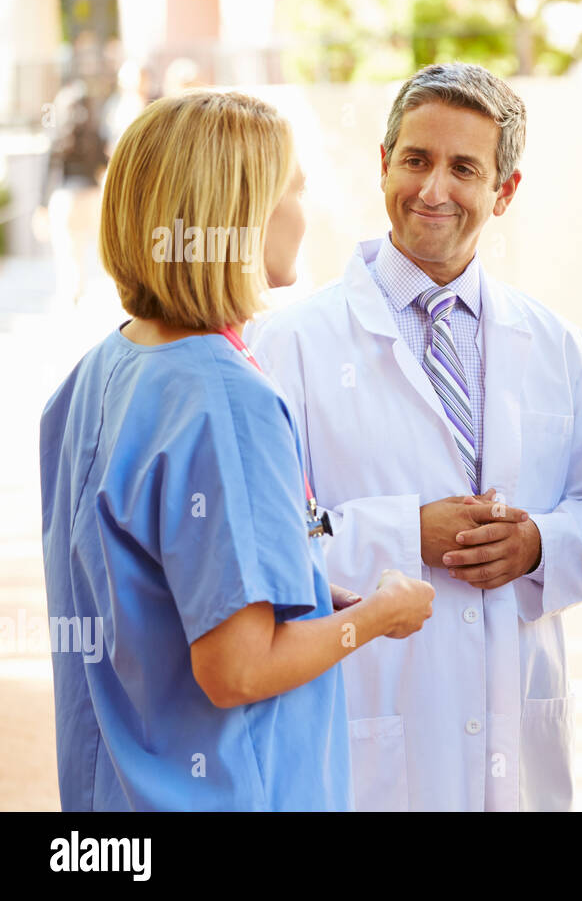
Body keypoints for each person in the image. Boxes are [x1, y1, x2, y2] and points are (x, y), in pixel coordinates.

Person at [248, 62, 582, 812]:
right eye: (416, 160)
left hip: (512, 743)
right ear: (383, 164)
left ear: (506, 191)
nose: (433, 190)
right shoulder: (290, 345)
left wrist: (539, 546)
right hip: (364, 737)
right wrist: (405, 536)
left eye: (464, 168)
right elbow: (264, 544)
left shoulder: (554, 343)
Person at [39, 90, 436, 811]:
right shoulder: (225, 399)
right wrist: (378, 616)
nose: (303, 211)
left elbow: (156, 587)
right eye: (293, 188)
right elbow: (237, 671)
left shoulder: (101, 373)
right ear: (240, 214)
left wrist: (307, 589)